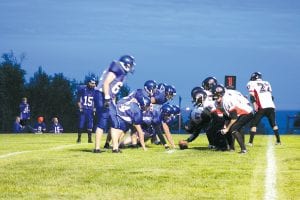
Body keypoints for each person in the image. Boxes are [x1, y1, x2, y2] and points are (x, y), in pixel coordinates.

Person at [93, 55, 136, 153]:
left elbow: (114, 90)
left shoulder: (122, 73)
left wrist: (112, 100)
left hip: (109, 96)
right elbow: (106, 83)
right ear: (126, 64)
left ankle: (115, 148)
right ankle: (97, 148)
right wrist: (107, 98)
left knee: (115, 122)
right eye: (131, 65)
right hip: (102, 94)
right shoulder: (117, 68)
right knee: (102, 121)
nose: (131, 67)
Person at [211, 85, 254, 154]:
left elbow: (234, 118)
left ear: (222, 94)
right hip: (238, 114)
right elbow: (227, 115)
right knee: (227, 128)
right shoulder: (216, 103)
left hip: (246, 113)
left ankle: (244, 150)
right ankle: (232, 148)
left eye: (217, 95)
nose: (216, 98)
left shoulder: (227, 101)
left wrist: (227, 128)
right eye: (215, 96)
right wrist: (225, 125)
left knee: (233, 129)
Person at [247, 72, 281, 146]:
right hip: (271, 106)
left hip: (261, 107)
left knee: (254, 124)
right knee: (274, 124)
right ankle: (278, 141)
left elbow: (252, 96)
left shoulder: (251, 83)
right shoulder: (267, 83)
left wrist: (254, 105)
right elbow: (271, 97)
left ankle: (250, 142)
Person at [76, 77, 96, 143]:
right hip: (83, 109)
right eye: (92, 83)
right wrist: (80, 108)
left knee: (90, 125)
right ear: (88, 83)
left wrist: (94, 109)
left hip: (90, 110)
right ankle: (79, 138)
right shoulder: (82, 89)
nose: (93, 85)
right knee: (81, 124)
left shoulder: (94, 90)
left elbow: (94, 101)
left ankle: (89, 139)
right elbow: (78, 100)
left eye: (94, 83)